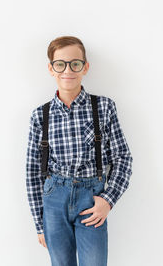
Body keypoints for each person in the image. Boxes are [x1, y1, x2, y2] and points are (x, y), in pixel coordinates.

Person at [25, 35, 133, 266]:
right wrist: (39, 222)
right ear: (51, 69)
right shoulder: (39, 116)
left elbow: (122, 158)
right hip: (54, 200)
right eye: (60, 64)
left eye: (75, 64)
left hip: (91, 199)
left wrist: (107, 200)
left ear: (85, 67)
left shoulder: (103, 107)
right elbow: (33, 172)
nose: (68, 70)